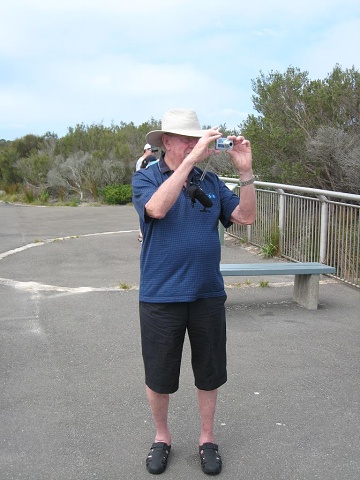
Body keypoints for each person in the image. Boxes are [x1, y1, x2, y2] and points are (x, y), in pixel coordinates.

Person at [132, 108, 256, 475]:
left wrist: (245, 171)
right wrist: (189, 164)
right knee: (159, 375)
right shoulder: (147, 178)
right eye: (186, 139)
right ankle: (162, 437)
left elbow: (246, 218)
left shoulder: (213, 181)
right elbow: (155, 208)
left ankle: (206, 438)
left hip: (206, 294)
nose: (193, 144)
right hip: (160, 296)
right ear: (166, 142)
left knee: (210, 370)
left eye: (196, 138)